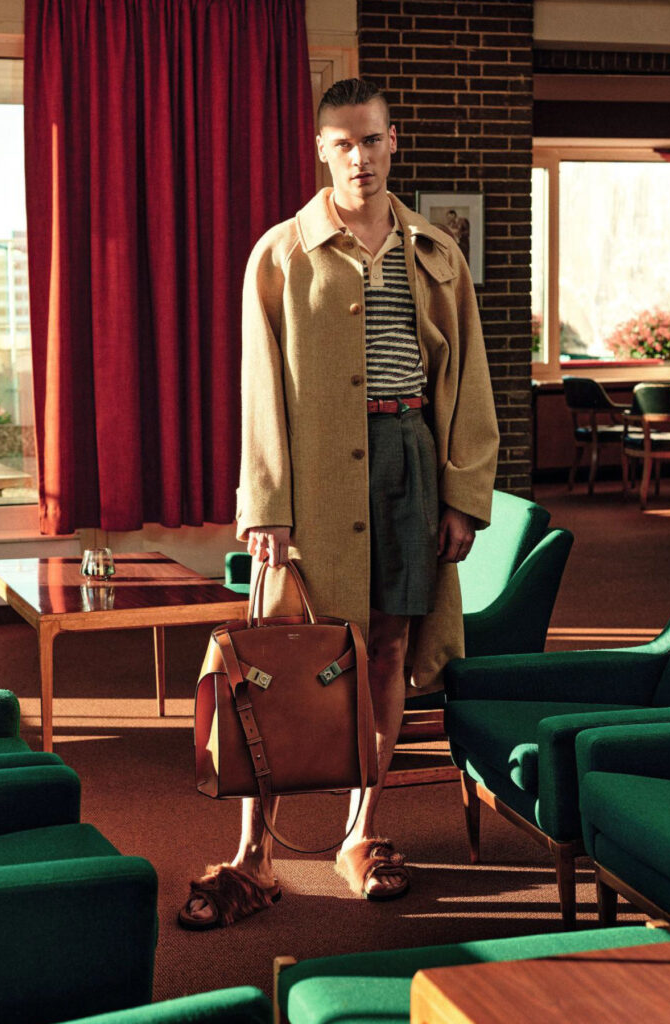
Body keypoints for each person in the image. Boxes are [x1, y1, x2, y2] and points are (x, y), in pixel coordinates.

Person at [178, 78, 499, 929]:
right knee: (281, 660)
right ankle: (254, 856)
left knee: (387, 650)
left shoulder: (436, 252)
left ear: (394, 142)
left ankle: (365, 834)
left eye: (372, 139)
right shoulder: (280, 253)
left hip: (408, 460)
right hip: (311, 472)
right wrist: (266, 506)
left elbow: (466, 381)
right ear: (321, 150)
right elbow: (259, 391)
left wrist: (461, 496)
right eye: (342, 143)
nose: (360, 156)